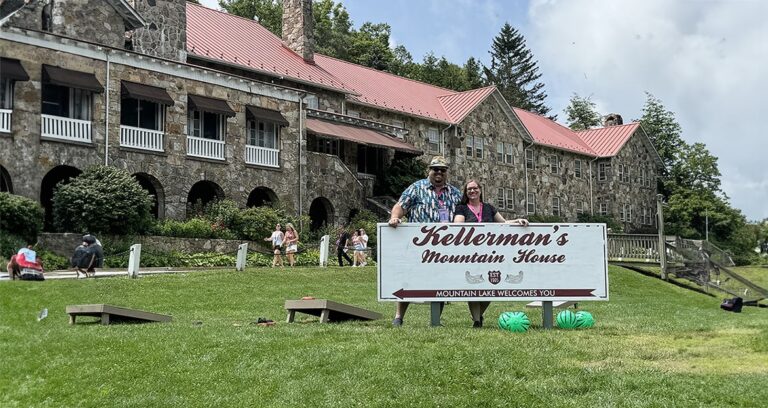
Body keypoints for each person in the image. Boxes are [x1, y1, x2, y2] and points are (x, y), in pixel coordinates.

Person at [387, 155, 462, 326]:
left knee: (441, 282)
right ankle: (399, 317)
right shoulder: (416, 188)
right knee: (407, 279)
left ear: (446, 173)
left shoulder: (455, 193)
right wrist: (394, 218)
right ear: (429, 170)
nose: (439, 173)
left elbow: (464, 213)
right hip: (417, 245)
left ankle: (436, 319)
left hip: (444, 247)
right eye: (435, 169)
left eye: (443, 170)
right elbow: (400, 206)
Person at [453, 179, 529, 328]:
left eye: (475, 188)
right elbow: (457, 224)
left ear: (480, 190)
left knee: (491, 285)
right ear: (466, 192)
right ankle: (476, 321)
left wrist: (517, 221)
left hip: (490, 254)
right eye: (469, 189)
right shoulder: (461, 208)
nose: (472, 191)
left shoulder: (488, 208)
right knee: (473, 285)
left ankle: (479, 314)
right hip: (470, 254)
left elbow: (503, 223)